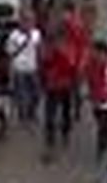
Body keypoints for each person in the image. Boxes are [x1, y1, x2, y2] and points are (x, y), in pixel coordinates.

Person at [40, 22, 79, 158]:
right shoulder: (49, 49)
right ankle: (51, 142)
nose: (57, 41)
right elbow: (44, 66)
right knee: (51, 115)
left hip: (63, 86)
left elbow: (72, 68)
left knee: (64, 112)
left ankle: (64, 134)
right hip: (53, 86)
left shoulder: (69, 49)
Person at [4, 11, 42, 124]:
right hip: (19, 68)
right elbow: (9, 52)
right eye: (27, 21)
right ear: (21, 22)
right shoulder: (14, 35)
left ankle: (32, 112)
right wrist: (22, 43)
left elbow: (39, 50)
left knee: (36, 93)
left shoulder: (36, 34)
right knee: (21, 93)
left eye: (31, 21)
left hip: (33, 67)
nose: (29, 24)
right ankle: (23, 116)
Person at [84, 40, 107, 159]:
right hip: (95, 100)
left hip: (106, 100)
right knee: (98, 120)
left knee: (102, 125)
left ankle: (101, 148)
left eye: (99, 53)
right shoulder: (90, 64)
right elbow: (87, 78)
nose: (96, 55)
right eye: (95, 53)